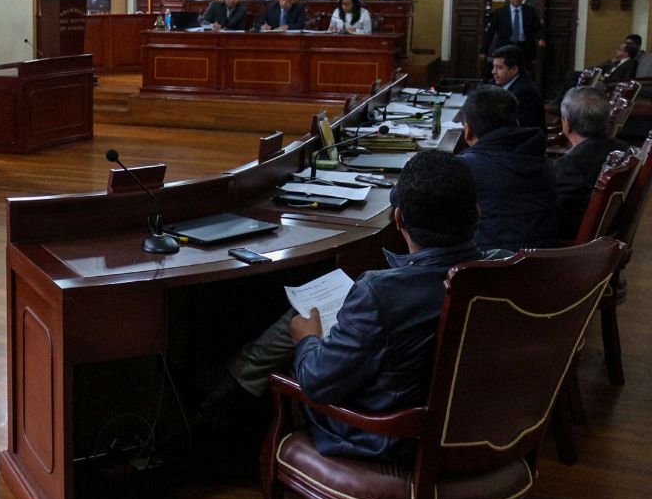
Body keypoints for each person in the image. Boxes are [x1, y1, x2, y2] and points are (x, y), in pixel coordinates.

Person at [205, 151, 502, 460]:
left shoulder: (380, 293)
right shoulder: (508, 270)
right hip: (482, 432)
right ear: (477, 212)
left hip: (386, 441)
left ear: (398, 218)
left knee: (297, 339)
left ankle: (217, 427)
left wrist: (307, 339)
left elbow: (316, 382)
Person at [458, 85, 557, 251]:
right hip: (545, 261)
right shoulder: (543, 160)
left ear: (467, 131)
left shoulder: (465, 168)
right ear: (516, 122)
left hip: (489, 262)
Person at [553, 86, 624, 242]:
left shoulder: (567, 167)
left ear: (566, 124)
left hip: (572, 245)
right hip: (607, 239)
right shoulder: (624, 151)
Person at [484, 0, 545, 74]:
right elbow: (490, 32)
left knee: (524, 72)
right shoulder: (500, 12)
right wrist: (483, 50)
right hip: (505, 46)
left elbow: (538, 28)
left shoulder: (530, 11)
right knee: (505, 72)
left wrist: (540, 39)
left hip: (524, 47)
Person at [489, 44, 545, 130]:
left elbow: (517, 127)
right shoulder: (497, 82)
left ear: (514, 69)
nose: (493, 72)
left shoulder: (525, 92)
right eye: (494, 67)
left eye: (499, 68)